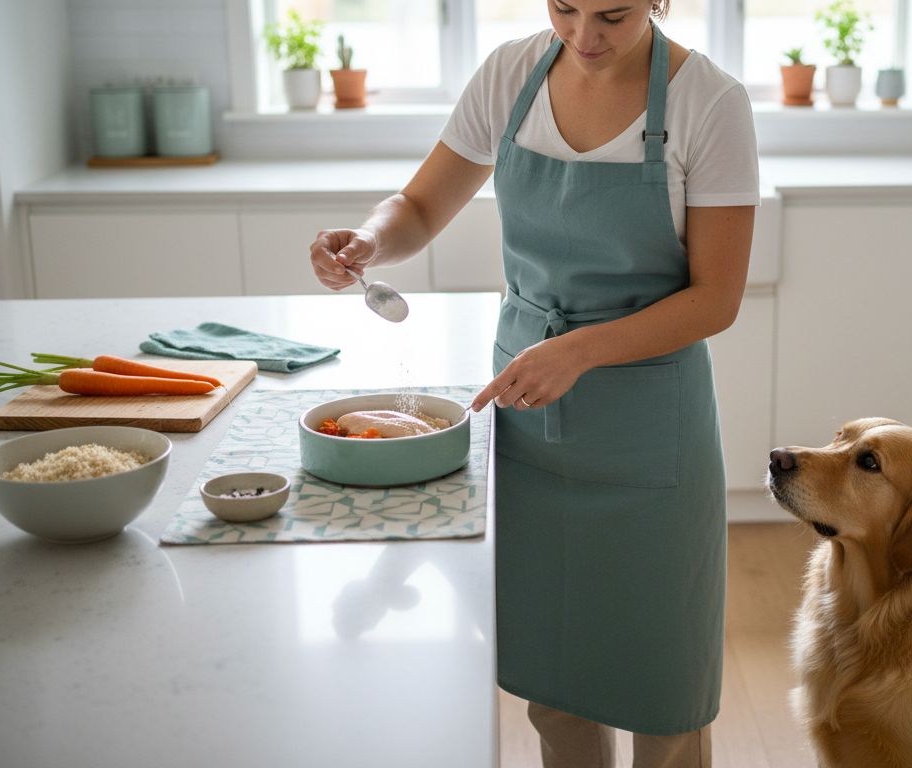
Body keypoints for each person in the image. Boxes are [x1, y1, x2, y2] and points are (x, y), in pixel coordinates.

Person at [309, 1, 758, 764]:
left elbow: (716, 298)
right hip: (528, 419)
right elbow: (419, 206)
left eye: (613, 14)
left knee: (665, 689)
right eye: (564, 7)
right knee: (556, 680)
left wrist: (580, 352)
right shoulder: (511, 74)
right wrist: (371, 240)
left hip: (652, 432)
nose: (584, 37)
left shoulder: (709, 103)